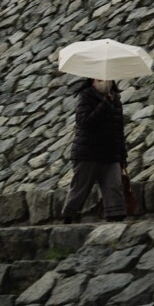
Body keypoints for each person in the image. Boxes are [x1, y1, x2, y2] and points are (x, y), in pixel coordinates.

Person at [62, 77, 128, 222]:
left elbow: (118, 129)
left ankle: (115, 217)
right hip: (88, 153)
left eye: (108, 79)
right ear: (93, 82)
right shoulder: (86, 97)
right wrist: (104, 105)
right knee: (80, 187)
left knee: (114, 186)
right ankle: (69, 216)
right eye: (100, 79)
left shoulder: (116, 100)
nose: (105, 82)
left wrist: (122, 156)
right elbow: (85, 123)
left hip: (110, 153)